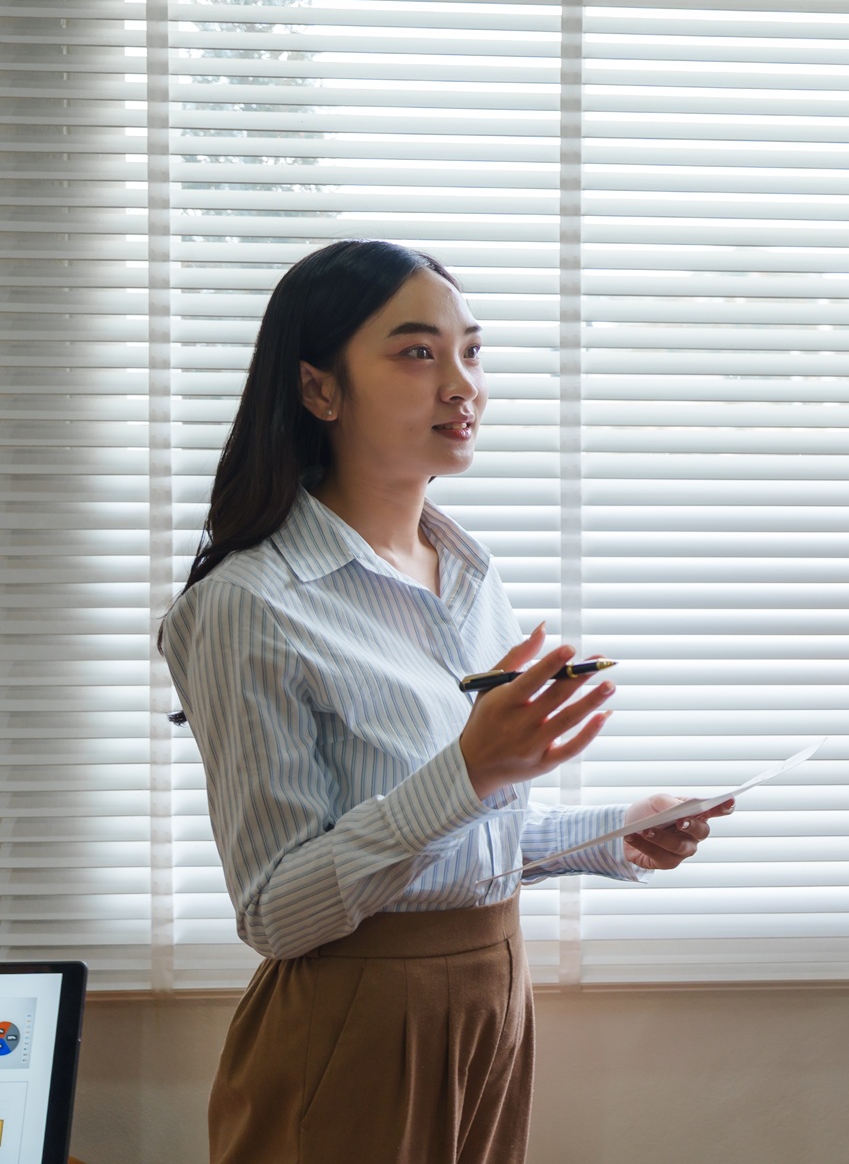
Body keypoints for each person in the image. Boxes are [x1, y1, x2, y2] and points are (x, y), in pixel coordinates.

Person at [161, 240, 728, 1164]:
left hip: (493, 996)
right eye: (418, 353)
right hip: (350, 1025)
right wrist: (469, 770)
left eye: (472, 351)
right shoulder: (248, 605)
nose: (463, 385)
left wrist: (616, 831)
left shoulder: (466, 573)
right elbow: (274, 911)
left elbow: (456, 844)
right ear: (318, 389)